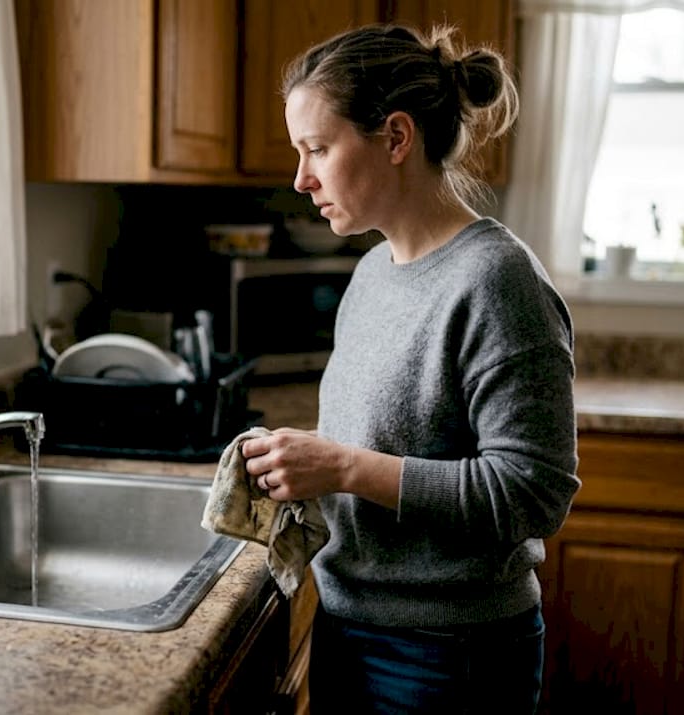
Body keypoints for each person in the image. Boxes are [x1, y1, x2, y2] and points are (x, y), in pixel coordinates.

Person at [240, 23, 581, 714]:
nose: (300, 178)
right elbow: (382, 444)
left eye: (318, 149)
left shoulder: (496, 280)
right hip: (347, 625)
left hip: (452, 655)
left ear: (396, 138)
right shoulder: (370, 273)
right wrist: (298, 467)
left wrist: (339, 467)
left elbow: (535, 492)